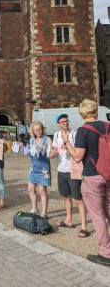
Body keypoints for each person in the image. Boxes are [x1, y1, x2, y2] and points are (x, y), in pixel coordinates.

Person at [63, 99, 110, 266]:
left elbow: (77, 157)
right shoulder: (107, 126)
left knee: (97, 216)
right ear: (96, 111)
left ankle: (106, 252)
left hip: (92, 176)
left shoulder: (83, 131)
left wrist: (66, 141)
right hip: (108, 174)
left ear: (82, 114)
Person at [51, 114, 88, 237]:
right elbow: (55, 149)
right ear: (58, 124)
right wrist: (53, 154)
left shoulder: (75, 133)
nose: (65, 123)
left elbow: (79, 151)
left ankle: (84, 226)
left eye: (66, 121)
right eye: (62, 122)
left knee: (78, 198)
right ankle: (69, 220)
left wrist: (67, 146)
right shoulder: (56, 135)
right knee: (65, 196)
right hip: (61, 169)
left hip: (74, 169)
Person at [28, 121, 52, 219]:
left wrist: (45, 150)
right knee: (31, 189)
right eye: (36, 130)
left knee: (42, 191)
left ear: (42, 129)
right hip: (33, 167)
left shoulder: (47, 139)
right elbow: (30, 153)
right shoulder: (32, 140)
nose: (38, 131)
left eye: (39, 129)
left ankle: (44, 212)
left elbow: (51, 154)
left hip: (43, 168)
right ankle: (34, 209)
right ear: (32, 131)